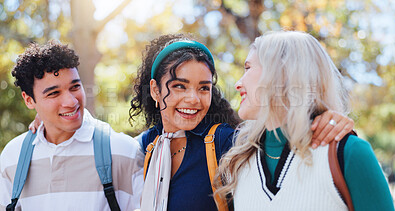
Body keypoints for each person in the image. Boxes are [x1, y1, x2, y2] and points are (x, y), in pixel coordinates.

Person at [129, 33, 355, 211]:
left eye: (204, 88)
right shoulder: (146, 146)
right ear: (155, 90)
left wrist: (325, 117)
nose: (194, 98)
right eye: (180, 86)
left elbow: (286, 140)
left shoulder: (226, 141)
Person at [215, 31, 395, 210]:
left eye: (248, 68)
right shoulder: (238, 162)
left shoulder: (350, 153)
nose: (238, 83)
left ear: (282, 73)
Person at [0, 41, 144, 210]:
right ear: (29, 100)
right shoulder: (12, 157)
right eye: (54, 93)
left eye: (75, 87)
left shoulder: (123, 151)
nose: (71, 101)